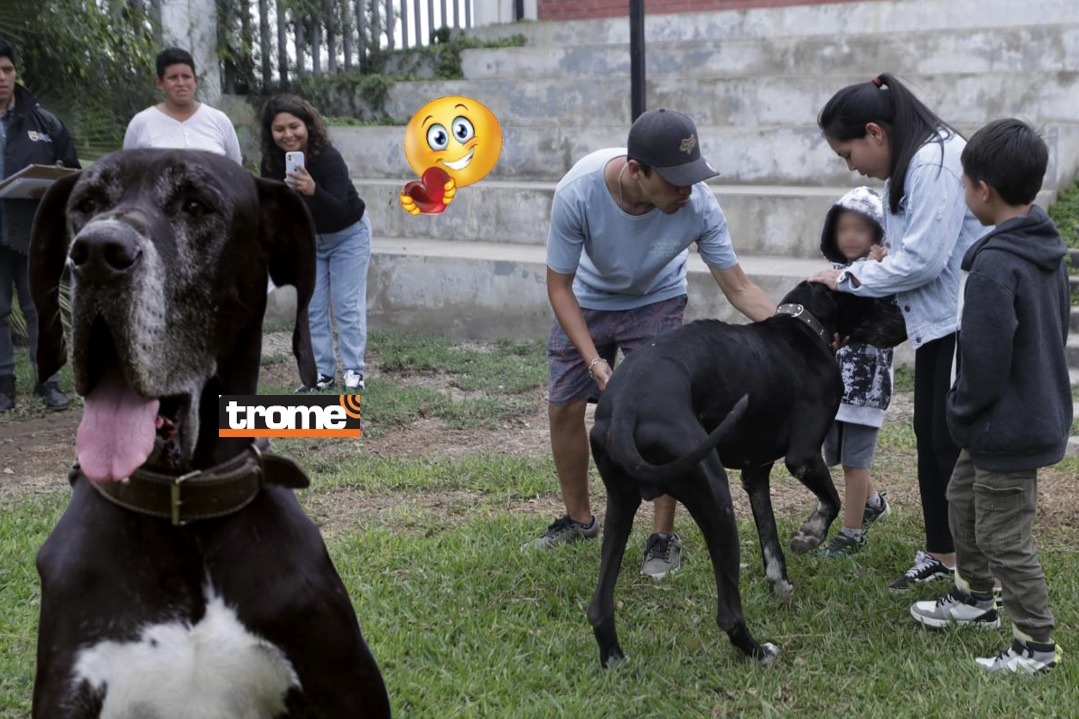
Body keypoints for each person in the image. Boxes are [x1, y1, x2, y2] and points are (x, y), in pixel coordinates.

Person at [522, 108, 776, 581]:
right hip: (588, 298)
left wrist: (791, 331)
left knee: (664, 416)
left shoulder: (698, 205)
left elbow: (739, 288)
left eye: (693, 178)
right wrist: (595, 362)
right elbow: (559, 286)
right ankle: (579, 520)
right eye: (676, 180)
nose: (687, 190)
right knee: (564, 405)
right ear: (637, 170)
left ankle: (662, 537)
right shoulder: (578, 192)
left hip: (657, 297)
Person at [908, 119, 1071, 674]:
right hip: (1015, 417)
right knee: (962, 501)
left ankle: (1035, 644)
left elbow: (983, 359)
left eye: (963, 184)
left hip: (1004, 421)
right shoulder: (1043, 248)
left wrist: (963, 406)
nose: (962, 193)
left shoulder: (995, 265)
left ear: (983, 190)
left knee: (1005, 535)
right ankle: (974, 598)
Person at [810, 73, 984, 590]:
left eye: (848, 153)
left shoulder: (934, 163)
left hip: (962, 319)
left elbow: (924, 262)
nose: (852, 166)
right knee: (930, 437)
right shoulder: (914, 162)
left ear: (875, 132)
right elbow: (908, 259)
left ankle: (969, 570)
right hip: (936, 322)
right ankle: (942, 552)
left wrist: (846, 278)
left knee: (946, 442)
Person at [259, 94, 370, 393]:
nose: (288, 134)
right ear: (270, 132)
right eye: (279, 129)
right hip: (308, 243)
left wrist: (312, 190)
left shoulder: (327, 158)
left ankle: (354, 371)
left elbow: (341, 210)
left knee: (346, 306)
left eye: (294, 126)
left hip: (348, 236)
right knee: (313, 309)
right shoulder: (271, 163)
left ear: (307, 125)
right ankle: (323, 374)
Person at [813, 187, 894, 558]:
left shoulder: (884, 276)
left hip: (866, 389)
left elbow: (883, 307)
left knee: (855, 463)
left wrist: (876, 268)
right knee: (844, 457)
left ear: (878, 236)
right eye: (844, 228)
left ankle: (852, 532)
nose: (850, 236)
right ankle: (873, 503)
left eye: (861, 230)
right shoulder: (839, 274)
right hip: (836, 387)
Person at [0, 38, 79, 412]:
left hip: (34, 232)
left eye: (6, 70)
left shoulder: (45, 122)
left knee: (39, 309)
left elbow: (71, 171)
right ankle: (4, 386)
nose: (1, 78)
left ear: (15, 73)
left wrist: (49, 186)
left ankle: (48, 382)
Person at [124, 48, 242, 164]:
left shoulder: (219, 121)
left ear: (196, 80)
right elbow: (127, 173)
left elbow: (236, 172)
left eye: (186, 77)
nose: (181, 84)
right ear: (160, 83)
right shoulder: (141, 123)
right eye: (173, 78)